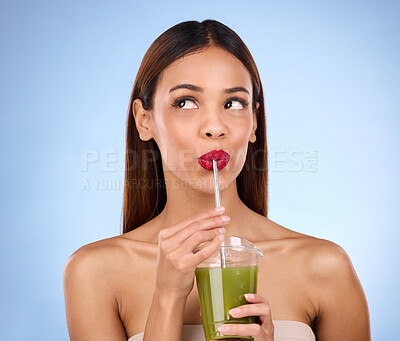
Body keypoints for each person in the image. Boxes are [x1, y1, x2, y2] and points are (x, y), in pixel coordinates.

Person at [63, 19, 371, 341]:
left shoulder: (325, 267)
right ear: (144, 120)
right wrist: (167, 296)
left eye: (233, 103)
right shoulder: (94, 273)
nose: (215, 127)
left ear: (253, 123)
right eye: (185, 102)